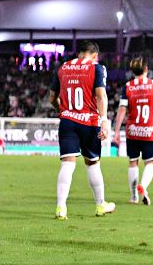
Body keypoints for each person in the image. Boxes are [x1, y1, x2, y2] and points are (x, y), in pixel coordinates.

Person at [47, 40, 116, 220]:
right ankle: (100, 205)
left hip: (67, 121)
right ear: (95, 55)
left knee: (67, 164)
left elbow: (52, 98)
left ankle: (61, 208)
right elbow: (101, 95)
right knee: (92, 163)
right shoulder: (97, 68)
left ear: (79, 53)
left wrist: (62, 111)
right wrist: (104, 120)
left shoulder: (63, 68)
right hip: (89, 122)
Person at [112, 56, 153, 205]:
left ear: (133, 71)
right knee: (151, 162)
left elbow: (122, 109)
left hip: (132, 131)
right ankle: (143, 185)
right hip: (149, 131)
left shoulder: (128, 86)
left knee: (133, 162)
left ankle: (133, 196)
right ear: (146, 69)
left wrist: (116, 131)